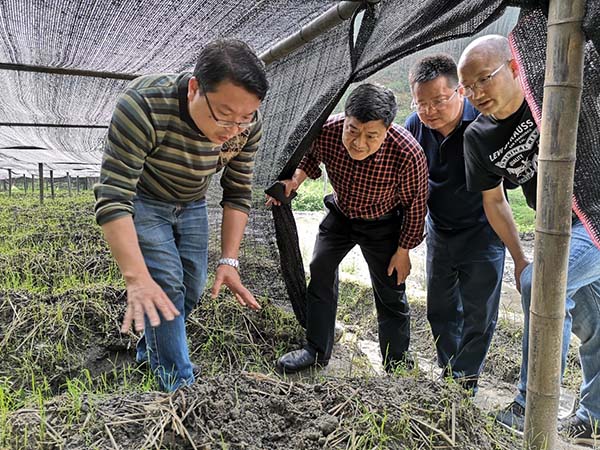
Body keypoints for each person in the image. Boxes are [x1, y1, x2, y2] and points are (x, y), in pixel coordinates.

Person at [93, 39, 269, 392]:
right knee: (166, 285)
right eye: (223, 114)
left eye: (245, 117)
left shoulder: (245, 125)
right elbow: (113, 198)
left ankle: (150, 350)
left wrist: (229, 261)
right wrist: (137, 278)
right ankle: (180, 388)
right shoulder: (143, 104)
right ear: (194, 89)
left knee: (192, 286)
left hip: (192, 202)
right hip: (144, 199)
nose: (233, 128)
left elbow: (237, 193)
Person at [458, 35, 600, 444]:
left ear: (515, 67)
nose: (476, 93)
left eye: (485, 79)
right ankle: (594, 417)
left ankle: (527, 404)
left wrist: (530, 272)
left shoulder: (556, 88)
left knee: (542, 285)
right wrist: (519, 256)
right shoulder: (478, 137)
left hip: (598, 216)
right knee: (594, 324)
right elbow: (493, 199)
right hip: (562, 228)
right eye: (468, 87)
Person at [269, 83, 428, 374]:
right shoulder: (328, 129)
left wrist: (403, 250)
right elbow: (310, 156)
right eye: (353, 130)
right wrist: (295, 180)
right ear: (346, 118)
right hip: (341, 215)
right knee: (320, 269)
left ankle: (396, 365)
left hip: (383, 223)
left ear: (388, 130)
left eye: (371, 136)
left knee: (391, 289)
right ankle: (316, 350)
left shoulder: (407, 152)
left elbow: (416, 206)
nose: (359, 143)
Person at [404, 54, 505, 393]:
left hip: (484, 230)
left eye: (439, 100)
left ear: (460, 92)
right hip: (441, 231)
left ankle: (463, 385)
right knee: (441, 310)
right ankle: (450, 377)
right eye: (422, 104)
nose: (430, 111)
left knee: (479, 314)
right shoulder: (414, 128)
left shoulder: (486, 123)